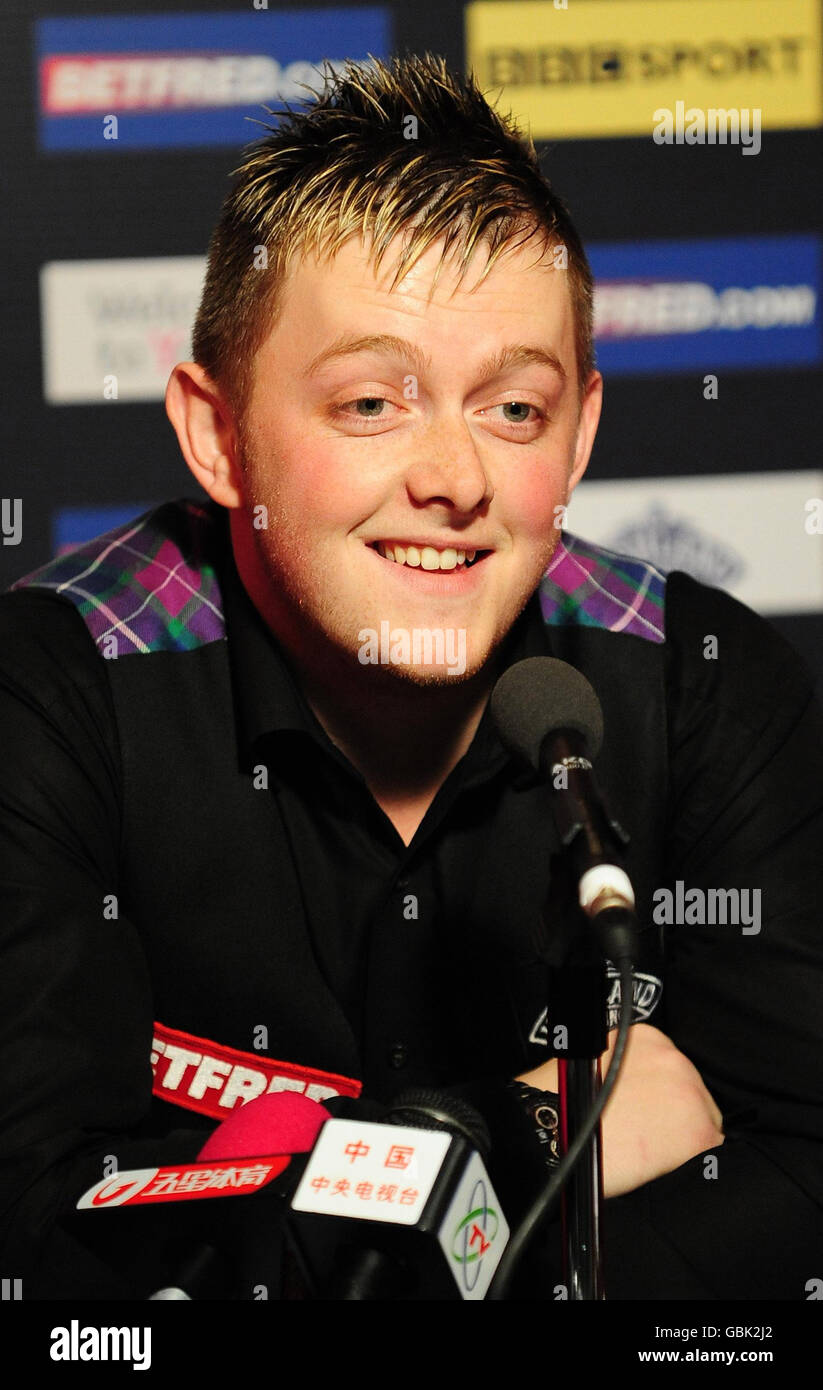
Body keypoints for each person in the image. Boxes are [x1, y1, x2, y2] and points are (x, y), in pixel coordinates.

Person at [1, 52, 821, 1302]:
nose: (456, 478)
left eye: (514, 410)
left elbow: (799, 1208)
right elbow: (44, 1254)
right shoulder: (47, 696)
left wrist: (289, 1214)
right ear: (218, 435)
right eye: (374, 402)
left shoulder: (708, 687)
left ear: (584, 433)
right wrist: (504, 1141)